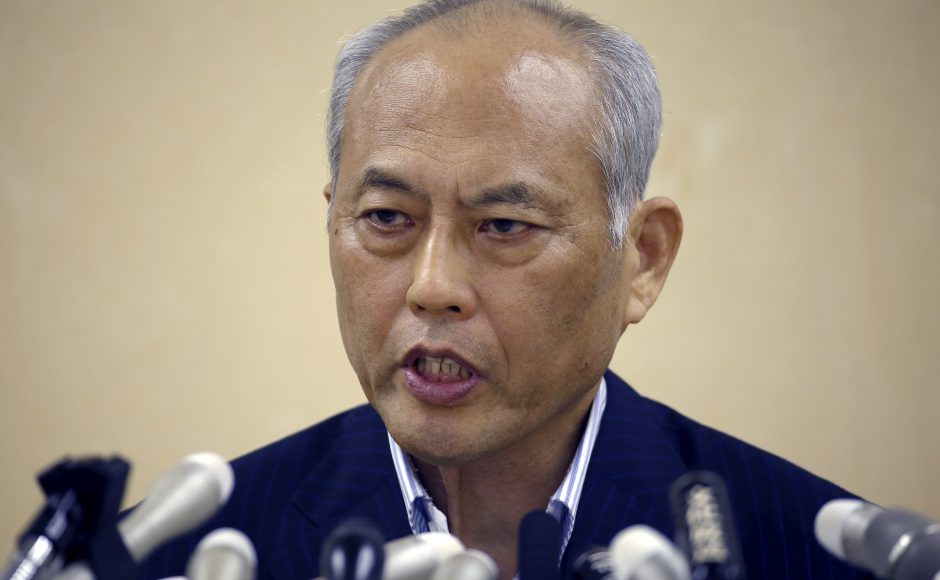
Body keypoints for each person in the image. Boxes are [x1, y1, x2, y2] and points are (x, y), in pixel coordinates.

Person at [140, 1, 871, 578]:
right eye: (387, 218)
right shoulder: (181, 555)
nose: (433, 288)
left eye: (504, 225)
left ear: (641, 260)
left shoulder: (823, 553)